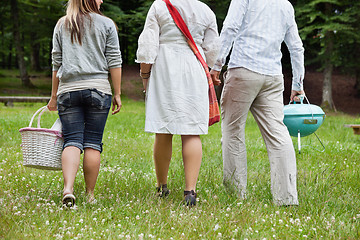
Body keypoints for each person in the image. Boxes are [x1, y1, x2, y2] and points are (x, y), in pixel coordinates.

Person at [210, 0, 305, 206]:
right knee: (278, 134)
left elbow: (230, 27)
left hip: (243, 69)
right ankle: (287, 198)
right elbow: (296, 46)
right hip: (272, 76)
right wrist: (298, 82)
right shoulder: (285, 5)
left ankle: (236, 195)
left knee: (233, 131)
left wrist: (217, 64)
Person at [136, 0, 219, 206]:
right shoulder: (205, 10)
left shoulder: (159, 5)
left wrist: (145, 74)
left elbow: (148, 44)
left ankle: (162, 186)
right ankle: (190, 191)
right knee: (191, 131)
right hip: (194, 66)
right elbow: (213, 49)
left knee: (163, 130)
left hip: (165, 66)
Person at [47, 0, 122, 207]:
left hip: (68, 91)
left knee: (71, 141)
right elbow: (114, 61)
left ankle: (68, 189)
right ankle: (90, 195)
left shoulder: (62, 24)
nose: (102, 0)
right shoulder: (107, 24)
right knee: (92, 143)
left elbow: (56, 63)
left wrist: (54, 96)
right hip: (98, 89)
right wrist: (117, 93)